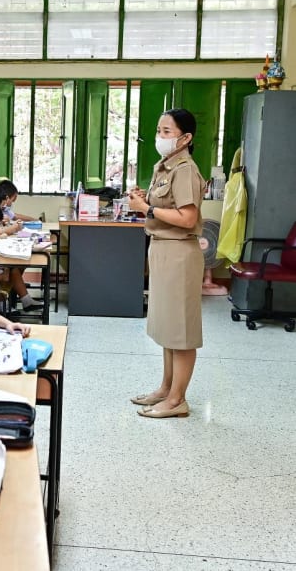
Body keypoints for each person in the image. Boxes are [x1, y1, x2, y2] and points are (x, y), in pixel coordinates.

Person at [127, 108, 206, 419]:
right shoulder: (165, 166)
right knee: (167, 328)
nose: (160, 137)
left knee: (181, 331)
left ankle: (177, 401)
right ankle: (165, 388)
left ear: (185, 138)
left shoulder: (185, 169)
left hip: (179, 254)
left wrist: (146, 208)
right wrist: (145, 201)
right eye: (159, 131)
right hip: (162, 249)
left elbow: (187, 218)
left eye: (167, 132)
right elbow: (166, 207)